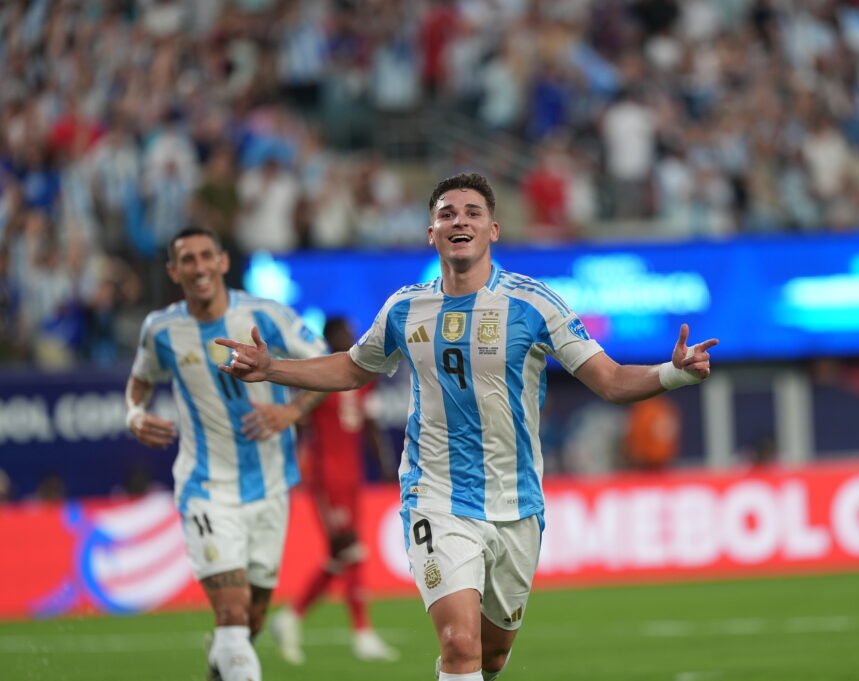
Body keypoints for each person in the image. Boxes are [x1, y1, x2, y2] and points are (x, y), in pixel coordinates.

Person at [216, 173, 718, 681]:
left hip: (517, 505)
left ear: (493, 229)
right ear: (430, 232)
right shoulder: (405, 307)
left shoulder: (534, 304)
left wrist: (672, 372)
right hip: (436, 497)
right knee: (460, 645)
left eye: (472, 213)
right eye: (447, 214)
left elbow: (609, 379)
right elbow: (351, 367)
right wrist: (270, 367)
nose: (460, 221)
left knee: (492, 656)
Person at [125, 226, 328, 681]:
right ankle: (229, 650)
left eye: (205, 256)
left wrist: (290, 411)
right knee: (233, 615)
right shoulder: (161, 330)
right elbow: (139, 383)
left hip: (271, 486)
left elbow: (326, 363)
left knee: (250, 620)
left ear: (221, 262)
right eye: (187, 260)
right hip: (206, 488)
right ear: (174, 271)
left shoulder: (266, 314)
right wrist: (134, 415)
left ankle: (222, 661)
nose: (198, 267)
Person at [270, 317, 400, 664]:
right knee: (350, 550)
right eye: (343, 333)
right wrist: (295, 466)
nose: (350, 337)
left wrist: (386, 468)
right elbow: (299, 425)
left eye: (351, 331)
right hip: (326, 477)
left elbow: (370, 425)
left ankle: (294, 618)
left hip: (353, 478)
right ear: (330, 338)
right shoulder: (319, 378)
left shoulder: (365, 378)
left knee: (346, 554)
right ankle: (357, 632)